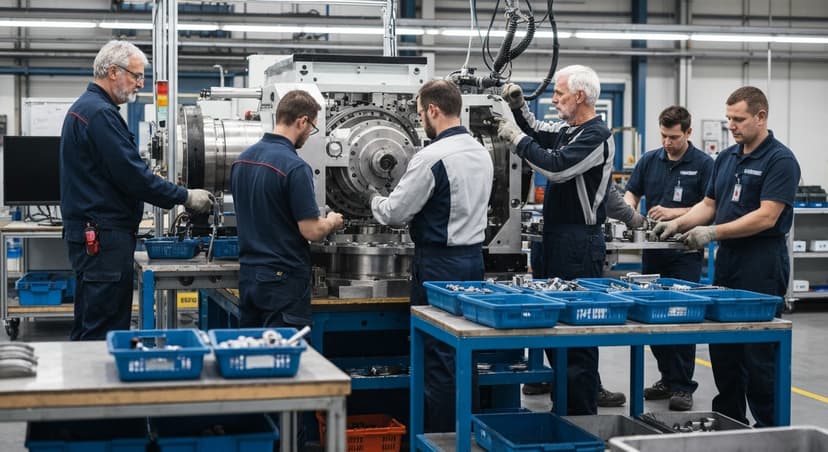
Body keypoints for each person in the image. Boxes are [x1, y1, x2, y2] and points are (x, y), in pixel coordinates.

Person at [654, 86, 799, 426]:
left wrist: (714, 232)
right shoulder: (727, 158)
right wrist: (677, 225)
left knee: (759, 355)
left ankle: (770, 431)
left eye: (739, 119)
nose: (732, 125)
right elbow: (709, 205)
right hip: (729, 262)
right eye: (729, 118)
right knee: (725, 351)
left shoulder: (780, 160)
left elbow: (767, 216)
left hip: (762, 264)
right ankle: (730, 423)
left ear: (761, 117)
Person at [60, 40, 214, 341]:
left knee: (91, 321)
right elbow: (133, 177)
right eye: (136, 75)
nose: (140, 84)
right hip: (104, 238)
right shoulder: (100, 114)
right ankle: (100, 387)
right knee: (103, 329)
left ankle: (89, 383)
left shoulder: (87, 109)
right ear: (113, 72)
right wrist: (185, 196)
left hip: (97, 236)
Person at [496, 65, 621, 414]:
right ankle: (563, 406)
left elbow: (557, 167)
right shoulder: (569, 130)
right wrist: (519, 108)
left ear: (579, 96)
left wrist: (516, 139)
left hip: (579, 244)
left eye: (559, 94)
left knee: (577, 333)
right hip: (553, 241)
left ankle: (579, 417)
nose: (553, 100)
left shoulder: (596, 135)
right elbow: (536, 130)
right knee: (554, 328)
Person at [370, 79, 493, 432]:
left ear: (434, 111)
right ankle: (468, 432)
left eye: (421, 111)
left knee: (438, 358)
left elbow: (395, 213)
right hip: (473, 262)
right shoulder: (480, 152)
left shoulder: (432, 157)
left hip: (439, 266)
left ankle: (440, 439)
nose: (420, 118)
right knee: (465, 352)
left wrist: (372, 199)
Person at [623, 105, 714, 411]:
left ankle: (683, 386)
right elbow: (631, 192)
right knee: (653, 316)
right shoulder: (650, 160)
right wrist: (630, 211)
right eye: (663, 135)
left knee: (682, 316)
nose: (667, 142)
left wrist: (674, 213)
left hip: (685, 252)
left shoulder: (704, 164)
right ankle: (667, 378)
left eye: (673, 137)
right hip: (653, 252)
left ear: (688, 133)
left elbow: (709, 205)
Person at [230, 90, 344, 329]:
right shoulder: (294, 167)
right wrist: (332, 221)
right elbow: (311, 231)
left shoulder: (242, 161)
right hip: (282, 283)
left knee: (251, 354)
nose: (309, 135)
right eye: (312, 128)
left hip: (249, 276)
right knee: (284, 355)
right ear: (302, 121)